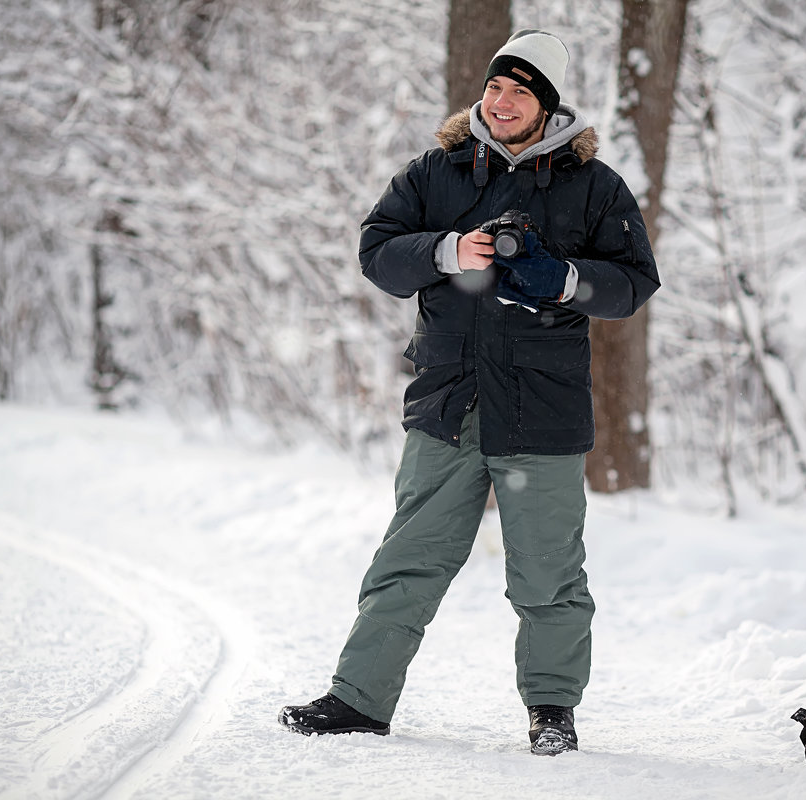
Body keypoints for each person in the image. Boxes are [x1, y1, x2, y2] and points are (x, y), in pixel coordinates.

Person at [279, 29, 659, 756]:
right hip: (448, 401)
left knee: (548, 573)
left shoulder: (594, 185)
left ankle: (552, 711)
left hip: (542, 410)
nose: (502, 100)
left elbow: (634, 284)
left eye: (520, 90)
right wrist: (446, 251)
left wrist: (568, 280)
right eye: (494, 85)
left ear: (548, 105)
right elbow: (377, 252)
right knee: (409, 560)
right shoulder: (437, 172)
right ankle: (358, 699)